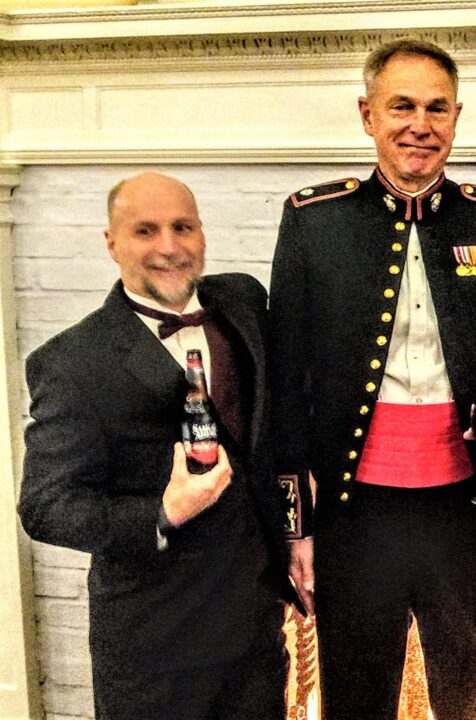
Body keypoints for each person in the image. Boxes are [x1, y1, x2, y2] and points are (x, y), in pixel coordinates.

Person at [268, 38, 476, 720]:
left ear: (456, 117)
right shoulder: (314, 221)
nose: (419, 125)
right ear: (367, 115)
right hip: (352, 514)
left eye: (436, 108)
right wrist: (296, 530)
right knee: (356, 699)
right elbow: (284, 386)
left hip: (466, 512)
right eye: (401, 107)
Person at [19, 172, 289, 720]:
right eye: (146, 230)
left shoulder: (241, 301)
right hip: (155, 649)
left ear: (203, 235)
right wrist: (164, 513)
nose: (169, 246)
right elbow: (45, 507)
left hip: (255, 631)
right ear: (112, 243)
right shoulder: (71, 363)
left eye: (182, 227)